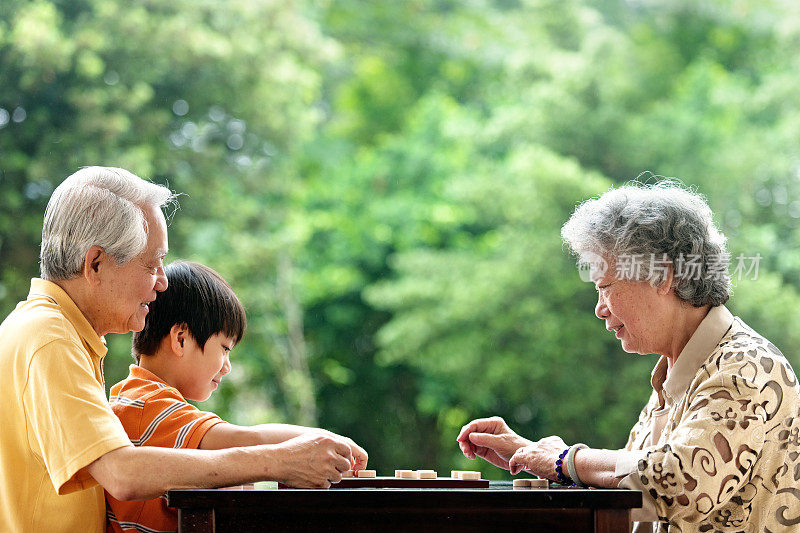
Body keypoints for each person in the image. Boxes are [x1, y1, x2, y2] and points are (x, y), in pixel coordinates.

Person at [0, 167, 367, 533]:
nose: (161, 283)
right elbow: (121, 472)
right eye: (152, 264)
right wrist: (277, 462)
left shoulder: (47, 332)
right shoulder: (50, 338)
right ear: (95, 264)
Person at [456, 181, 800, 532]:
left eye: (604, 287)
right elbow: (632, 489)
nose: (599, 309)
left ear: (662, 277)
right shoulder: (678, 373)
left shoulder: (746, 366)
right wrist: (529, 453)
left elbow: (675, 484)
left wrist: (562, 460)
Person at [106, 260, 368, 532]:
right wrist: (329, 440)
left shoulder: (133, 396)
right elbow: (247, 439)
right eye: (224, 348)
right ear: (181, 338)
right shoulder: (152, 406)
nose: (227, 366)